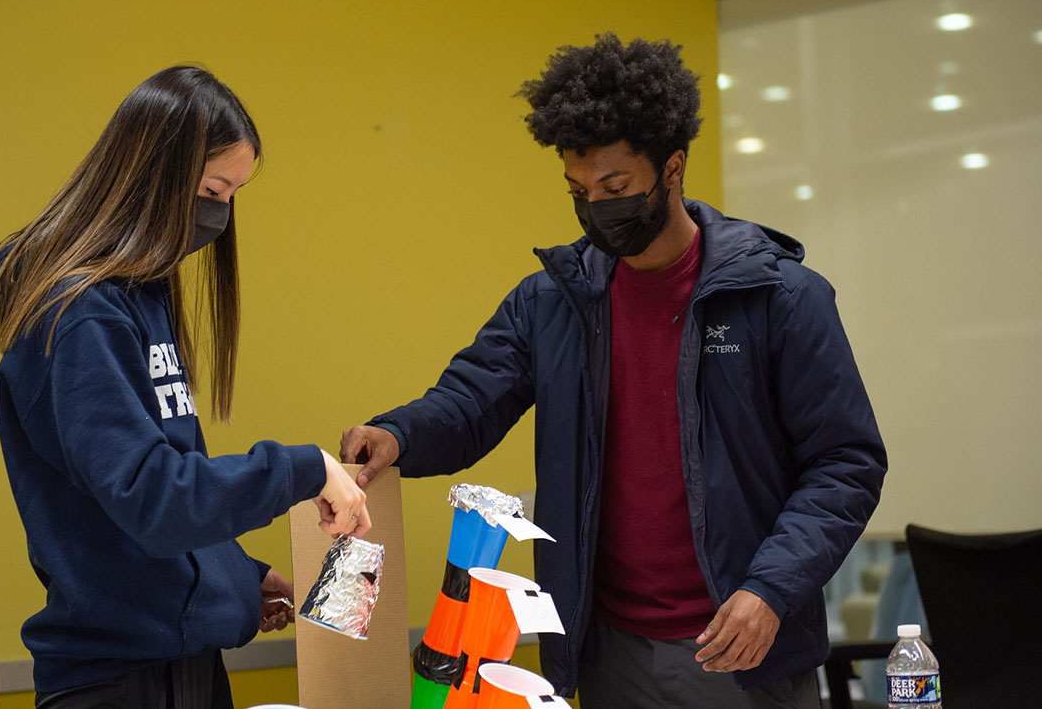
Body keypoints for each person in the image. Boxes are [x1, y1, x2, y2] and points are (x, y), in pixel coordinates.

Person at [340, 34, 887, 707]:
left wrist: (770, 589)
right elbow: (469, 401)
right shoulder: (553, 301)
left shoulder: (780, 298)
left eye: (616, 187)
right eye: (578, 189)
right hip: (607, 650)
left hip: (741, 645)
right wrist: (397, 434)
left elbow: (845, 464)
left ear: (673, 167)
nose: (597, 207)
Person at [0, 65, 371, 707]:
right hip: (116, 681)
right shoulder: (81, 315)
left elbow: (163, 481)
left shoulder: (140, 296)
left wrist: (235, 576)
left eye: (233, 195)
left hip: (181, 666)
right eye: (214, 189)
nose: (220, 214)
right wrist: (304, 470)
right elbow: (151, 500)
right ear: (151, 175)